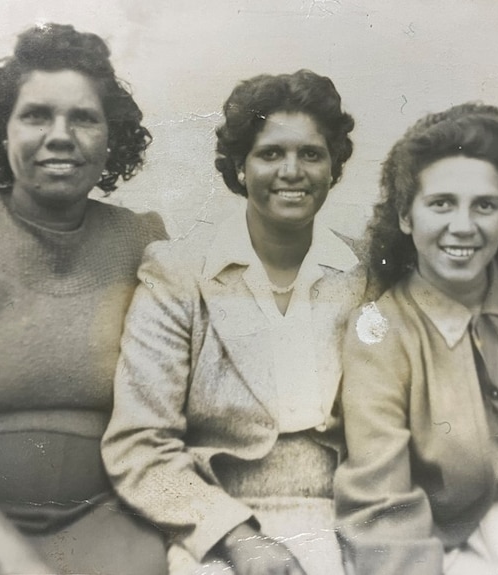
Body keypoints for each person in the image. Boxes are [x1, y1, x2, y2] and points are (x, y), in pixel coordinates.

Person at [0, 23, 169, 575]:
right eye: (36, 115)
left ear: (111, 137)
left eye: (84, 118)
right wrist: (15, 566)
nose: (60, 135)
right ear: (3, 131)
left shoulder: (140, 240)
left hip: (105, 525)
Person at [101, 69, 364, 575]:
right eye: (270, 154)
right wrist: (237, 538)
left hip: (353, 520)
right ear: (240, 167)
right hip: (223, 528)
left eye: (311, 153)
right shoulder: (180, 272)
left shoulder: (363, 271)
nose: (292, 170)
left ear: (333, 168)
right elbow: (139, 443)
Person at [333, 103, 498, 575]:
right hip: (462, 546)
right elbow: (382, 507)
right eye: (441, 204)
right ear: (404, 216)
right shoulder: (380, 331)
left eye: (485, 205)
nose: (464, 225)